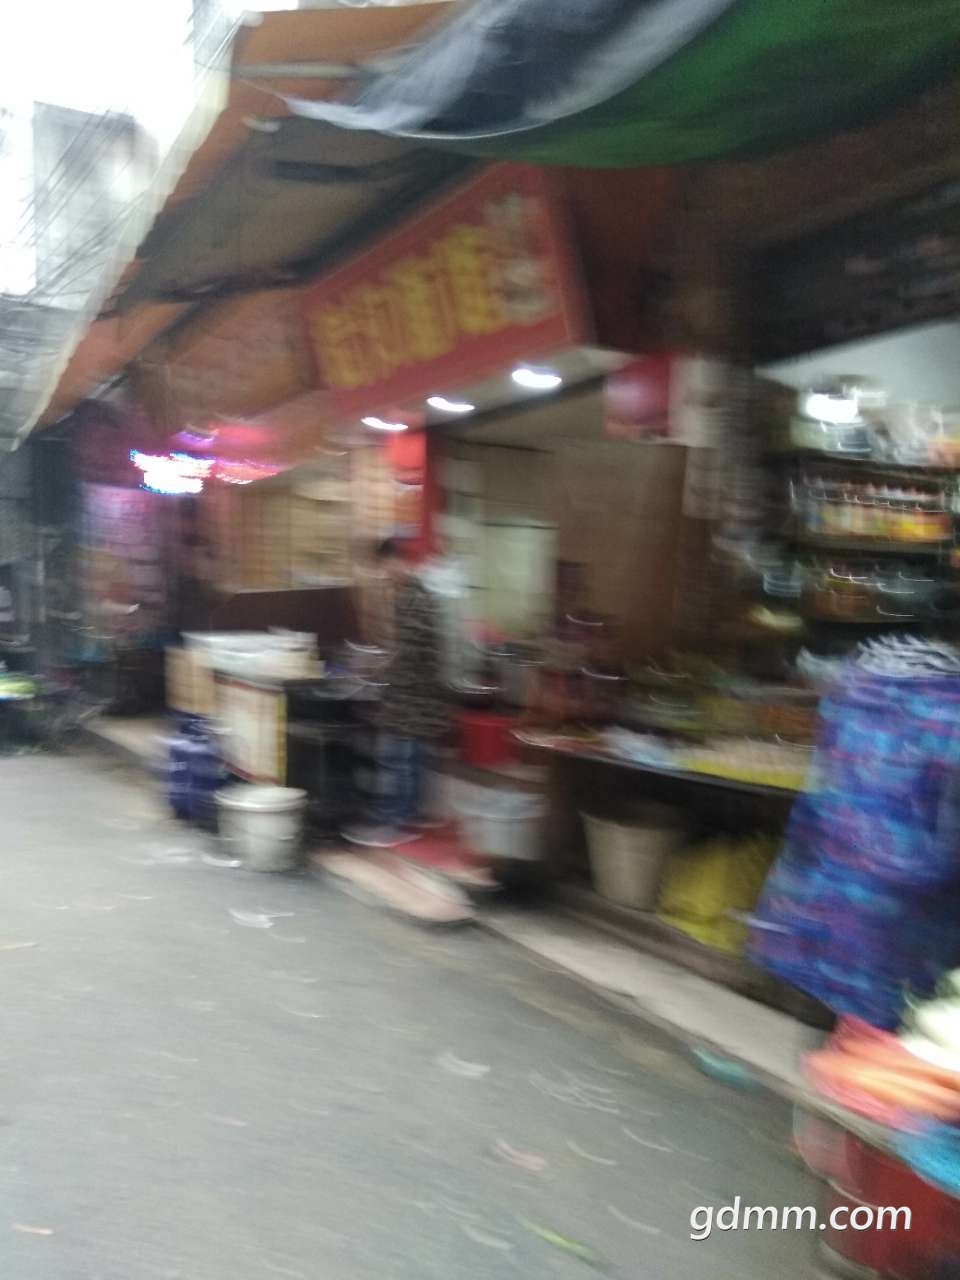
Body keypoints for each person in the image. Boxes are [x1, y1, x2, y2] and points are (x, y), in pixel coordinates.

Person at [344, 537, 449, 847]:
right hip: (419, 695)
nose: (383, 574)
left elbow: (411, 652)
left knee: (397, 761)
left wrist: (377, 673)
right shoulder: (418, 594)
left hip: (410, 697)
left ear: (397, 561)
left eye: (384, 566)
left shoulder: (411, 598)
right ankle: (409, 817)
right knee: (413, 760)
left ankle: (394, 822)